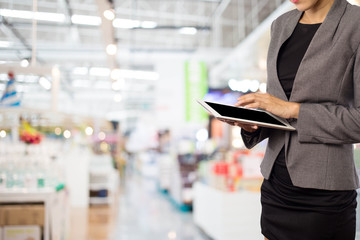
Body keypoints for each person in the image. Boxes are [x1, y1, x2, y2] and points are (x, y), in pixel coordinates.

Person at [223, 0, 360, 239]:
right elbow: (277, 106)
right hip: (276, 184)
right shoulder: (281, 25)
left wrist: (293, 110)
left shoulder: (355, 24)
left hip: (324, 194)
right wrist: (253, 124)